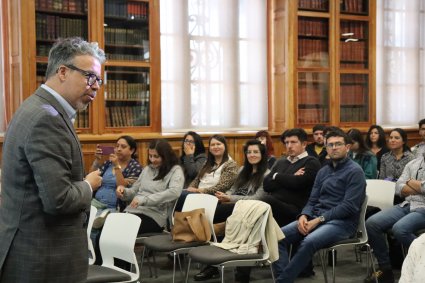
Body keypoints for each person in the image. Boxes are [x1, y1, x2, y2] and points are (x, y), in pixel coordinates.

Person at [0, 37, 105, 283]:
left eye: (99, 80)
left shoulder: (38, 108)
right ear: (63, 72)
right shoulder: (45, 118)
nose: (96, 86)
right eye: (90, 77)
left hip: (37, 252)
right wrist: (89, 185)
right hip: (43, 259)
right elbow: (58, 200)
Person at [273, 129, 366, 283]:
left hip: (342, 223)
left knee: (308, 241)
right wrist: (303, 215)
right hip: (316, 217)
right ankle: (285, 278)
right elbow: (312, 199)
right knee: (276, 238)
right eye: (330, 145)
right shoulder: (323, 171)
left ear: (347, 147)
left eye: (338, 144)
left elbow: (349, 206)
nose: (334, 148)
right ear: (326, 148)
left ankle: (282, 281)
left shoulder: (355, 172)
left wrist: (319, 220)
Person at [193, 139, 270, 282]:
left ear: (262, 154)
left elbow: (258, 198)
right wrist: (225, 196)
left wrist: (230, 198)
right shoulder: (242, 170)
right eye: (249, 152)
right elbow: (232, 190)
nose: (252, 155)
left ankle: (217, 266)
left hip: (250, 209)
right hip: (233, 205)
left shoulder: (267, 174)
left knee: (212, 217)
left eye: (255, 152)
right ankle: (213, 263)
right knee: (208, 217)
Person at [364, 154, 425, 283]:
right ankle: (385, 268)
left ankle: (421, 262)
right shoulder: (413, 163)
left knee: (400, 229)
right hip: (407, 204)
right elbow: (398, 187)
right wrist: (418, 187)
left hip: (423, 208)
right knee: (372, 223)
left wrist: (410, 182)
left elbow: (409, 184)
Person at [116, 139, 184, 234]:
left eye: (156, 156)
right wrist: (124, 192)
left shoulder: (175, 170)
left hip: (155, 215)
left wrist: (144, 200)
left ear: (166, 156)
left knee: (119, 231)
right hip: (134, 211)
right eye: (150, 156)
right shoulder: (147, 169)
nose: (152, 160)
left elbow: (174, 192)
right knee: (106, 230)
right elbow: (135, 190)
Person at [261, 128, 321, 227]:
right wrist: (291, 177)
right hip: (274, 203)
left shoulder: (311, 162)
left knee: (264, 200)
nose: (289, 146)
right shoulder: (281, 161)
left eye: (293, 142)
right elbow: (266, 185)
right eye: (287, 142)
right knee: (241, 205)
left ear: (304, 144)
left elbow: (298, 183)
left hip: (295, 209)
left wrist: (276, 176)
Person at [175, 134, 239, 211]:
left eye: (218, 144)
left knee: (181, 197)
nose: (215, 147)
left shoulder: (231, 164)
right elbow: (197, 180)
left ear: (225, 146)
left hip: (213, 198)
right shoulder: (207, 162)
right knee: (176, 195)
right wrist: (190, 189)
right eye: (212, 145)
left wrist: (199, 191)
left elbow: (222, 187)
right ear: (210, 148)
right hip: (198, 195)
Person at [90, 136, 143, 220]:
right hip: (97, 203)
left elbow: (122, 186)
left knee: (98, 222)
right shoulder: (108, 163)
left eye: (123, 147)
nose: (118, 149)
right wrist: (97, 160)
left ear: (132, 150)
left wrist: (116, 165)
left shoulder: (135, 167)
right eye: (117, 146)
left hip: (116, 208)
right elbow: (91, 178)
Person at [379, 128, 415, 204]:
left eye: (396, 138)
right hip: (387, 192)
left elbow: (412, 181)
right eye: (391, 137)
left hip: (404, 196)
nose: (392, 140)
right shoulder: (385, 157)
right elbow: (381, 179)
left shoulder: (411, 158)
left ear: (403, 141)